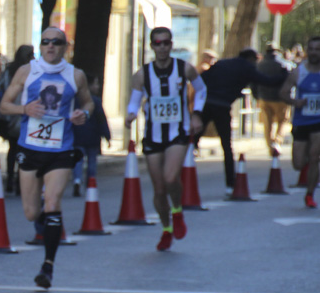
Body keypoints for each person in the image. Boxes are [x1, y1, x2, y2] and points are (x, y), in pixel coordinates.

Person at [0, 26, 93, 289]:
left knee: (53, 201)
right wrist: (24, 108)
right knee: (31, 213)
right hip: (30, 148)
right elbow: (4, 105)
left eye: (56, 42)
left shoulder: (76, 75)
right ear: (40, 46)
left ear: (66, 47)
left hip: (61, 150)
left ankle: (48, 266)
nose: (50, 46)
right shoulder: (27, 71)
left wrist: (83, 115)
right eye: (45, 42)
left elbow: (88, 103)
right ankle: (44, 219)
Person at [123, 27, 206, 251]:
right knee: (159, 190)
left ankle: (177, 211)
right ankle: (166, 228)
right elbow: (135, 99)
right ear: (152, 46)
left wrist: (196, 113)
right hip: (153, 134)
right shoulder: (142, 74)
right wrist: (131, 114)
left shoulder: (184, 69)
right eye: (157, 43)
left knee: (171, 178)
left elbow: (201, 89)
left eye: (166, 43)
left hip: (177, 132)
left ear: (171, 44)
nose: (161, 47)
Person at [195, 48, 283, 194]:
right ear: (251, 59)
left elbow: (204, 78)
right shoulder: (247, 67)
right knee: (226, 146)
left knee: (193, 141)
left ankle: (179, 172)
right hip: (222, 106)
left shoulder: (223, 63)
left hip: (207, 103)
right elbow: (267, 81)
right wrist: (284, 76)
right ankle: (230, 184)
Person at [279, 36, 320, 208]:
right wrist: (295, 102)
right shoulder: (299, 72)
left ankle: (310, 194)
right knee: (298, 163)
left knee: (314, 157)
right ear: (306, 50)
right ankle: (307, 171)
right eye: (311, 49)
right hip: (301, 121)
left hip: (318, 122)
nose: (314, 52)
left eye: (317, 49)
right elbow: (283, 93)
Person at [0, 45, 34, 194]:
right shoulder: (30, 72)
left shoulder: (9, 70)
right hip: (23, 114)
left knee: (12, 149)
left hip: (10, 115)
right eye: (31, 55)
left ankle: (11, 179)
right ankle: (19, 181)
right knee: (23, 149)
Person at [71, 75, 111, 198]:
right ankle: (90, 182)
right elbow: (101, 120)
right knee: (92, 161)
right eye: (95, 84)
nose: (97, 87)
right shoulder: (95, 101)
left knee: (78, 160)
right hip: (93, 137)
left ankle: (77, 180)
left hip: (77, 135)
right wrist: (107, 135)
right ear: (88, 86)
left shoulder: (74, 101)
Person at [254, 44, 292, 156]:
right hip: (280, 98)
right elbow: (289, 80)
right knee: (283, 120)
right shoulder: (283, 64)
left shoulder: (259, 65)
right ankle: (277, 142)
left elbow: (253, 82)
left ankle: (270, 145)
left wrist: (257, 96)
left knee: (267, 122)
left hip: (263, 98)